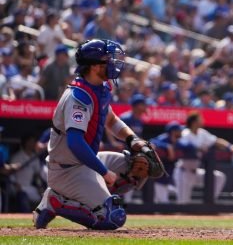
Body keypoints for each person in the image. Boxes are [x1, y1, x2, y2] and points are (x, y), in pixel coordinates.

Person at [32, 39, 154, 230]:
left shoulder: (102, 88)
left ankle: (94, 195)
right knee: (112, 218)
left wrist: (132, 139)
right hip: (67, 170)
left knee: (138, 164)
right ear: (95, 66)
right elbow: (75, 143)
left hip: (87, 162)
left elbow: (112, 121)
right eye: (109, 59)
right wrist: (105, 173)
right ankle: (54, 201)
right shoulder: (78, 96)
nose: (115, 63)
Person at [174, 111, 233, 204]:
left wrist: (229, 146)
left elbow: (216, 141)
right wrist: (198, 148)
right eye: (200, 119)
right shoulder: (185, 133)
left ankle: (209, 202)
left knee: (219, 177)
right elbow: (181, 145)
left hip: (195, 172)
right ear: (194, 122)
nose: (203, 121)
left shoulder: (202, 133)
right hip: (184, 172)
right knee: (182, 204)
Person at [150, 122, 194, 203]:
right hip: (157, 180)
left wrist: (172, 146)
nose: (181, 132)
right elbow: (151, 142)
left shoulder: (177, 142)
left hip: (167, 180)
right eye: (179, 130)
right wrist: (167, 146)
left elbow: (191, 146)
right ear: (173, 132)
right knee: (164, 206)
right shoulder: (163, 139)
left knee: (167, 201)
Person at [10, 134, 44, 212]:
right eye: (31, 142)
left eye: (34, 142)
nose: (33, 144)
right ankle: (23, 215)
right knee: (22, 195)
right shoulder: (17, 156)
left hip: (29, 187)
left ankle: (37, 217)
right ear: (26, 143)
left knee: (43, 198)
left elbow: (37, 175)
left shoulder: (34, 157)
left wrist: (39, 187)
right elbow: (11, 174)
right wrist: (15, 184)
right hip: (16, 187)